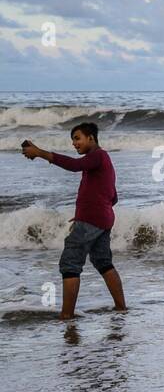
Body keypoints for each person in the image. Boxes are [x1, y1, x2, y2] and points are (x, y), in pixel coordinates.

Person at [22, 125, 126, 319]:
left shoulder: (97, 156)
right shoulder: (103, 162)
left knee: (70, 263)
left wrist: (39, 152)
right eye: (73, 139)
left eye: (78, 138)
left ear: (91, 138)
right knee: (103, 262)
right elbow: (113, 197)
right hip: (102, 219)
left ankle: (66, 316)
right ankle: (121, 308)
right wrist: (84, 213)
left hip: (92, 219)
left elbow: (73, 165)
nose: (74, 143)